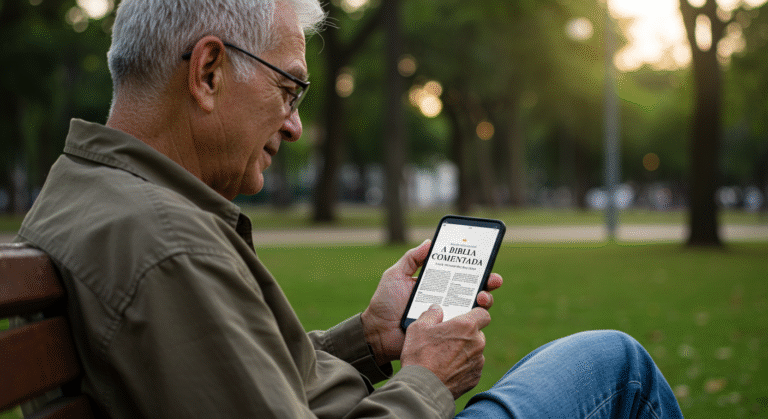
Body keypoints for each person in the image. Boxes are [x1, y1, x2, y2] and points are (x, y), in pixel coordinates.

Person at [14, 0, 684, 417]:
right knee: (617, 368)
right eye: (289, 89)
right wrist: (426, 378)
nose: (295, 126)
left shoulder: (88, 190)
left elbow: (248, 380)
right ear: (209, 72)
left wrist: (368, 337)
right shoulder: (166, 244)